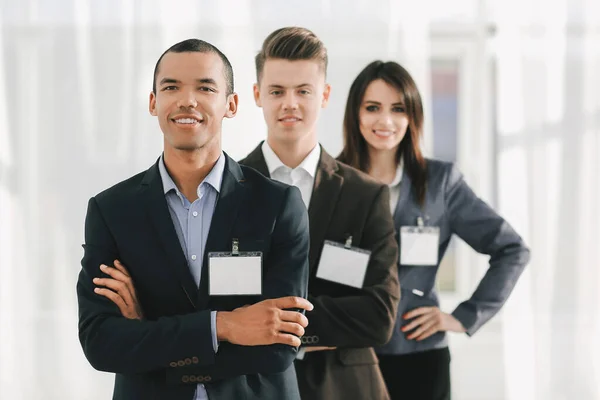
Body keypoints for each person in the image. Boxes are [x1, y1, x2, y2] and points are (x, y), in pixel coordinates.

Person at [76, 38, 313, 400]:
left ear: (230, 104)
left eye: (205, 87)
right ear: (153, 102)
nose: (187, 100)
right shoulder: (111, 210)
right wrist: (226, 326)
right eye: (171, 87)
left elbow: (278, 346)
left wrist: (147, 333)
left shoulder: (278, 205)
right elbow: (101, 343)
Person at [338, 60, 531, 400]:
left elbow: (512, 250)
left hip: (420, 357)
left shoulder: (441, 183)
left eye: (398, 109)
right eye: (373, 108)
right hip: (346, 355)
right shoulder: (331, 181)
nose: (385, 121)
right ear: (355, 114)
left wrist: (464, 316)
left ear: (412, 117)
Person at [239, 27, 400, 400]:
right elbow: (214, 303)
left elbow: (379, 315)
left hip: (345, 388)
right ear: (257, 95)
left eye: (304, 91)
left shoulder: (366, 196)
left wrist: (270, 324)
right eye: (277, 91)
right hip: (250, 387)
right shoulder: (227, 189)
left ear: (324, 95)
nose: (290, 103)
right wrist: (336, 319)